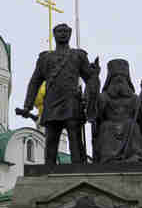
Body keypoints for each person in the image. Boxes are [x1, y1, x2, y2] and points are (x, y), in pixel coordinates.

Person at [22, 23, 97, 165]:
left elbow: (90, 79)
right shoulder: (45, 58)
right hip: (52, 102)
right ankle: (49, 169)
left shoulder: (78, 55)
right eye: (59, 31)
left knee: (74, 137)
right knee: (51, 139)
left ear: (70, 34)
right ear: (54, 34)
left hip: (72, 102)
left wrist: (90, 94)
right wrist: (28, 105)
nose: (63, 34)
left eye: (65, 31)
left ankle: (77, 167)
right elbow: (35, 82)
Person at [87, 59, 142, 168]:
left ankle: (135, 157)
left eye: (122, 78)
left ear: (127, 80)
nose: (119, 80)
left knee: (132, 125)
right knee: (106, 127)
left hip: (130, 128)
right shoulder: (104, 97)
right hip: (108, 128)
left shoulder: (134, 99)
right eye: (115, 78)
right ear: (110, 80)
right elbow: (95, 115)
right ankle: (108, 159)